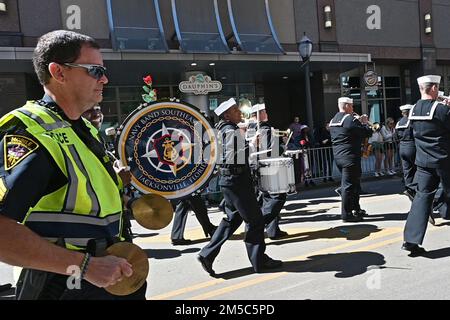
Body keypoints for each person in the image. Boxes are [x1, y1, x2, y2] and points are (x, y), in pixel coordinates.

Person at [0, 30, 144, 300]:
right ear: (59, 72)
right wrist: (86, 266)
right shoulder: (32, 132)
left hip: (106, 278)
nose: (104, 78)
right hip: (66, 285)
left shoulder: (83, 127)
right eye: (94, 70)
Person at [197, 98, 282, 276]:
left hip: (230, 181)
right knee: (255, 221)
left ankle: (207, 254)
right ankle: (259, 261)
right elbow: (232, 156)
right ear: (227, 115)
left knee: (232, 219)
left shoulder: (223, 129)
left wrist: (250, 146)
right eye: (236, 110)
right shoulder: (230, 130)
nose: (239, 113)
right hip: (237, 181)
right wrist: (252, 145)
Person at [402, 75, 450, 255]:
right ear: (434, 88)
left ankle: (411, 241)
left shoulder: (414, 110)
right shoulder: (441, 109)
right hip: (444, 160)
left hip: (423, 162)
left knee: (421, 199)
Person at [329, 97, 372, 222]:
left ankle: (356, 209)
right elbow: (365, 133)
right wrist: (364, 123)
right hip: (350, 157)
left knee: (354, 185)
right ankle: (346, 214)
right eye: (352, 106)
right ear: (347, 106)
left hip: (338, 156)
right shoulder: (349, 119)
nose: (353, 109)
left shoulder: (333, 120)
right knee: (349, 186)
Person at [250, 103, 288, 240]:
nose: (266, 113)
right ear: (258, 114)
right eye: (264, 111)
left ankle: (273, 230)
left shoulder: (248, 129)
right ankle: (259, 226)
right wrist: (283, 144)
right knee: (276, 197)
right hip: (268, 166)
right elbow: (271, 151)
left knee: (265, 198)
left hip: (255, 167)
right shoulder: (265, 129)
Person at [395, 104, 416, 200]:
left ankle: (409, 188)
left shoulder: (399, 123)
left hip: (402, 147)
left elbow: (395, 137)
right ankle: (415, 190)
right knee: (416, 170)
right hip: (412, 146)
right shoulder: (411, 121)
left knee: (407, 170)